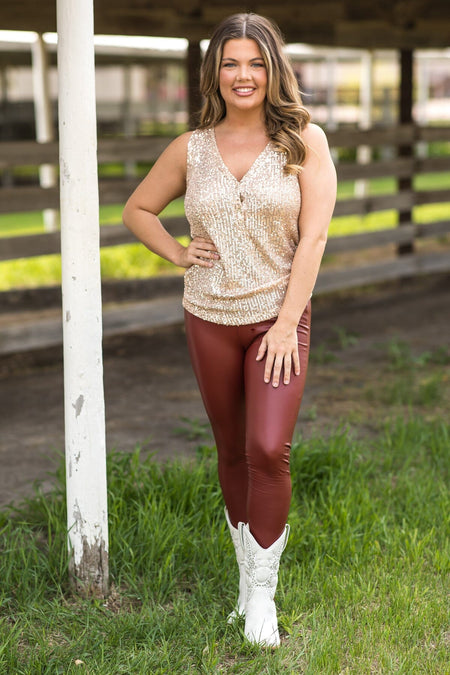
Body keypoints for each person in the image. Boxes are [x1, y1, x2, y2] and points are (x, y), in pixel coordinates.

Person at [123, 12, 337, 648]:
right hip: (209, 317)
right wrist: (177, 252)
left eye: (256, 62)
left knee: (268, 449)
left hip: (278, 318)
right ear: (215, 71)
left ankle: (264, 601)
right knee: (231, 452)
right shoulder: (190, 148)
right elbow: (137, 209)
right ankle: (245, 587)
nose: (244, 75)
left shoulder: (304, 141)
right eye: (231, 63)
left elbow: (315, 237)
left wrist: (286, 323)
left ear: (274, 69)